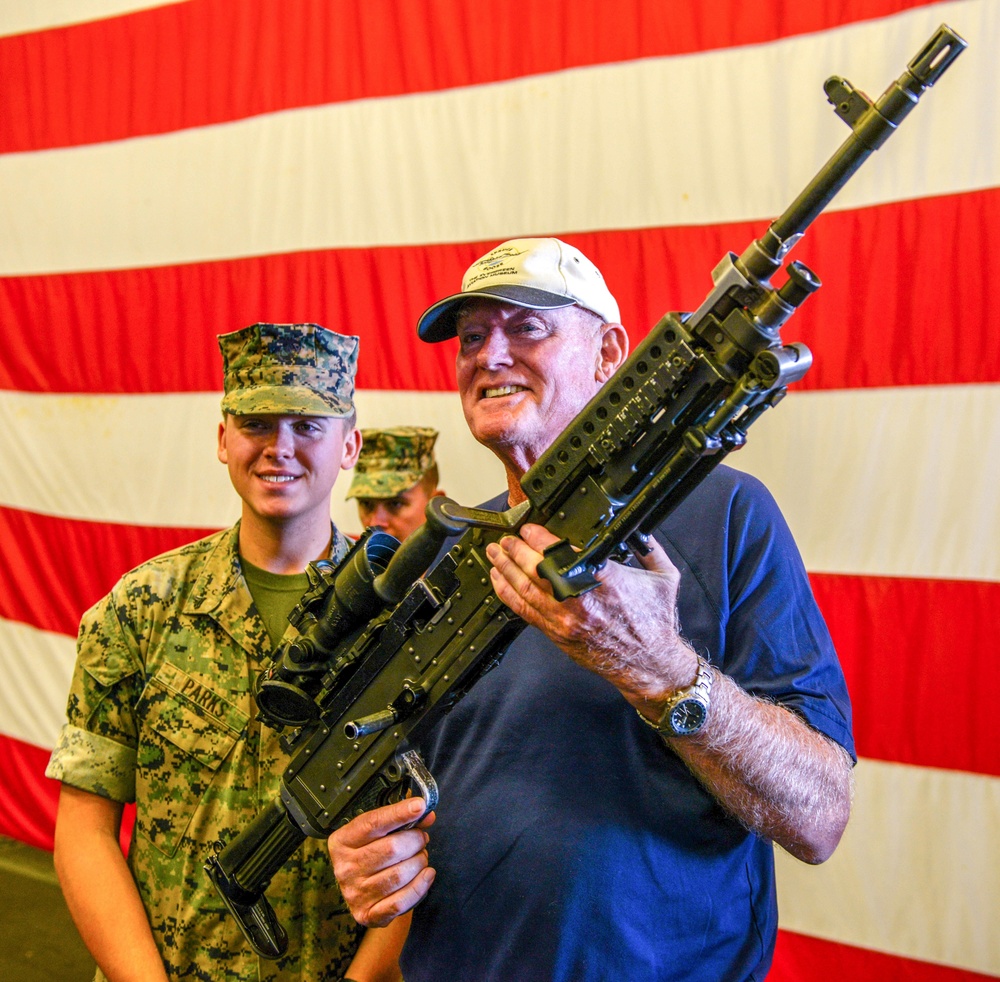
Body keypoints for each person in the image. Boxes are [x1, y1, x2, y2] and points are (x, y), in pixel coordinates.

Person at [332, 238, 856, 982]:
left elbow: (819, 814)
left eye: (527, 327)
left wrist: (662, 670)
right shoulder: (445, 556)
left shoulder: (728, 515)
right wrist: (367, 858)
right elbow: (405, 809)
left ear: (610, 351)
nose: (489, 354)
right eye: (472, 336)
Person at [46, 323, 369, 981]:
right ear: (223, 439)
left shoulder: (395, 619)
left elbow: (435, 836)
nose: (280, 448)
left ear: (349, 445)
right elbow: (83, 832)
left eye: (308, 425)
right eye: (256, 422)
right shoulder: (141, 608)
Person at [345, 426, 444, 541]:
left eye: (395, 504)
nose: (374, 523)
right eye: (366, 504)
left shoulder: (461, 556)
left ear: (437, 508)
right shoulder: (341, 554)